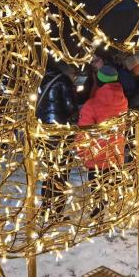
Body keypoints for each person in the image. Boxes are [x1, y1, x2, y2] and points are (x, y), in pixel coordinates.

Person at [78, 65, 128, 218]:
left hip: (97, 156)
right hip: (116, 151)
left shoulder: (91, 105)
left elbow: (83, 133)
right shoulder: (123, 100)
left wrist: (82, 153)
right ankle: (113, 211)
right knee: (112, 184)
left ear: (98, 81)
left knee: (97, 188)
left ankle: (98, 214)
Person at [36, 61, 78, 219]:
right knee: (62, 172)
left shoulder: (42, 79)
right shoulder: (64, 81)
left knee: (50, 172)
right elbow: (70, 106)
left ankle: (45, 208)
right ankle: (58, 212)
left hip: (44, 131)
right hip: (61, 133)